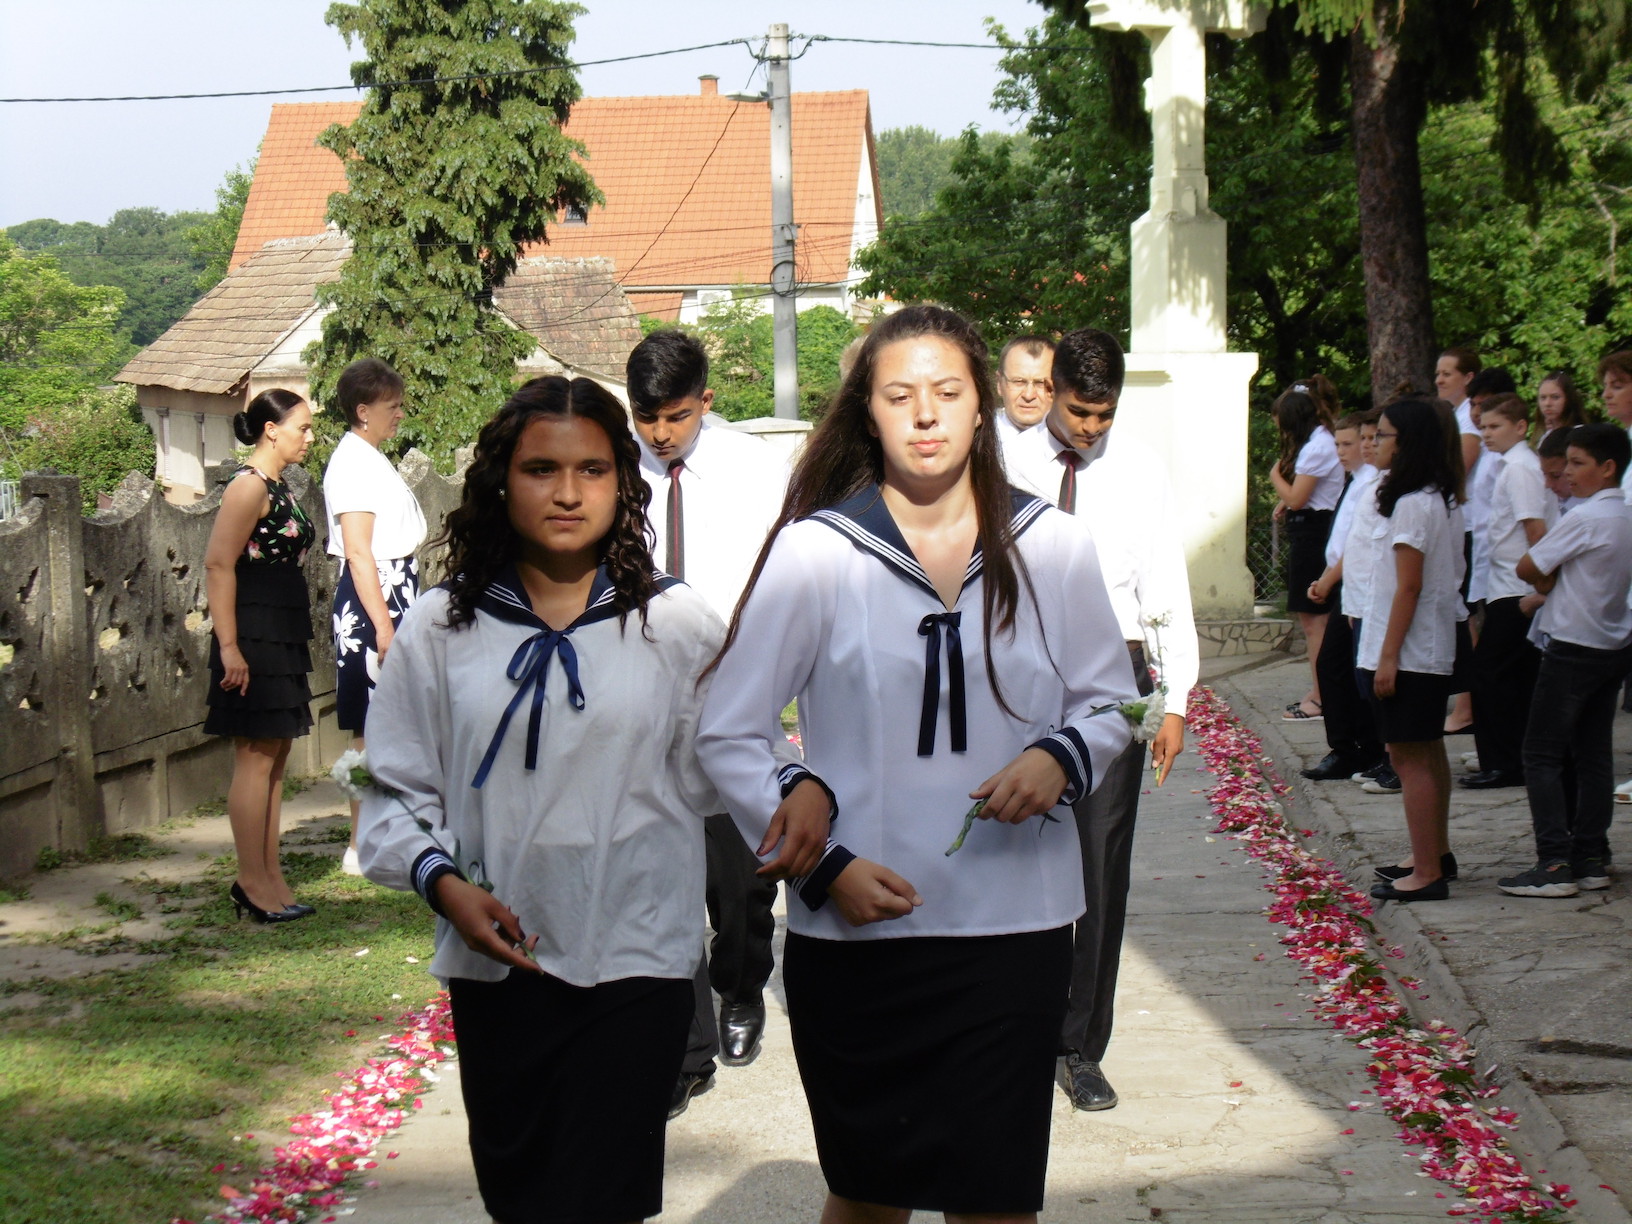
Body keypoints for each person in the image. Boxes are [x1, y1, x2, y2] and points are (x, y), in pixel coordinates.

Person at [697, 305, 1136, 1224]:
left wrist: (1060, 756)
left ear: (984, 405)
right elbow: (730, 730)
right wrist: (823, 863)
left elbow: (1110, 702)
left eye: (947, 392)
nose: (926, 414)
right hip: (860, 932)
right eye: (900, 396)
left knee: (996, 1201)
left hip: (1013, 929)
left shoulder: (1051, 546)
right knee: (869, 1200)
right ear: (869, 412)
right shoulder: (817, 552)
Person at [355, 377, 755, 1224]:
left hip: (637, 957)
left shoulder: (675, 625)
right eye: (541, 469)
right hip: (501, 960)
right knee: (524, 1199)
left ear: (623, 484)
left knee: (604, 1200)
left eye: (593, 470)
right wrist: (443, 885)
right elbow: (392, 791)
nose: (568, 493)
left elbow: (735, 764)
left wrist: (803, 796)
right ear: (501, 480)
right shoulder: (440, 629)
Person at [1002, 326, 1197, 1111]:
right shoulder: (1003, 461)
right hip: (1018, 667)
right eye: (1078, 411)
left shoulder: (1140, 470)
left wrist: (1175, 698)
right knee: (1010, 850)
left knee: (1100, 862)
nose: (1088, 427)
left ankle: (1080, 1046)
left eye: (1103, 414)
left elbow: (1166, 583)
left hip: (1115, 673)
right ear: (1050, 391)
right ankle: (1012, 1027)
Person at [625, 328, 791, 1113]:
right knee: (660, 868)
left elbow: (786, 574)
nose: (660, 433)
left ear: (706, 401)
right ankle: (686, 1043)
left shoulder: (755, 470)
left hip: (734, 685)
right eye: (646, 418)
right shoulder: (611, 467)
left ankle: (741, 985)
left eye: (677, 416)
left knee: (738, 872)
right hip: (640, 688)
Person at [1499, 424, 1632, 896]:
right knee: (1593, 753)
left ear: (1607, 467)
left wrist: (1545, 581)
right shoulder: (1625, 517)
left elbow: (1528, 566)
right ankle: (1590, 855)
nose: (1568, 473)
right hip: (1611, 644)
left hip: (1572, 646)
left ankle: (1554, 861)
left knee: (1541, 753)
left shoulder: (1586, 517)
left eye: (1578, 463)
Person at [202, 388, 318, 924]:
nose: (309, 438)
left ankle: (270, 876)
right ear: (271, 429)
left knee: (275, 756)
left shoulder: (278, 483)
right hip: (253, 632)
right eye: (302, 428)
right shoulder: (247, 486)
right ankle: (251, 881)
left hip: (281, 628)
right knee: (254, 758)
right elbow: (218, 564)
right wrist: (230, 647)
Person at [321, 358, 426, 875]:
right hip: (374, 599)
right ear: (363, 411)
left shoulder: (370, 457)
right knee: (369, 727)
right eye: (392, 406)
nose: (399, 414)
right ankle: (359, 843)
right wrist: (384, 626)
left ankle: (387, 832)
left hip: (393, 589)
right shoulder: (352, 464)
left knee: (393, 724)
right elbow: (359, 552)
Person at [1360, 399, 1467, 902]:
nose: (1375, 442)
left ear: (1407, 444)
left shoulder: (1413, 504)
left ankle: (1427, 872)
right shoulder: (1431, 497)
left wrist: (1388, 657)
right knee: (1426, 751)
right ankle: (1434, 853)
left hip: (1411, 652)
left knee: (1409, 758)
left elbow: (1409, 586)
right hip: (1423, 648)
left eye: (1382, 435)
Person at [1463, 393, 1555, 790]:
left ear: (1520, 427)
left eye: (1495, 426)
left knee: (1492, 674)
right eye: (1483, 426)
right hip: (1503, 583)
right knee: (1510, 676)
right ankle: (1510, 757)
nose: (1486, 433)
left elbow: (1534, 528)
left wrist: (1542, 585)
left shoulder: (1520, 467)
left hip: (1518, 588)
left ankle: (1504, 761)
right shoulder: (1508, 465)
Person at [1303, 411, 1385, 781]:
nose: (1348, 450)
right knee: (1337, 665)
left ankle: (1360, 748)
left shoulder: (1373, 483)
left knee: (1344, 666)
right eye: (1348, 442)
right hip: (1345, 582)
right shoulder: (1358, 481)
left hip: (1358, 583)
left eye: (1362, 440)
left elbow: (1359, 543)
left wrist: (1328, 580)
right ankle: (1350, 747)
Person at [1270, 383, 1344, 722]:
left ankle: (1321, 695)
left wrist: (1275, 476)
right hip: (1311, 531)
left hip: (1314, 535)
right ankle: (1322, 691)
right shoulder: (1322, 441)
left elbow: (1298, 497)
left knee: (1315, 622)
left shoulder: (1316, 447)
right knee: (1314, 620)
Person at [1436, 348, 1483, 736]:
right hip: (1462, 524)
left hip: (1469, 526)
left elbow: (1457, 469)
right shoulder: (1453, 415)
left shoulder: (1469, 418)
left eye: (1447, 373)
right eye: (1438, 373)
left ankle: (1468, 704)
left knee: (1464, 613)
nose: (1439, 380)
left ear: (1468, 378)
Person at [994, 334, 1056, 439]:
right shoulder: (974, 438)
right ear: (999, 384)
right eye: (1019, 382)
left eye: (1040, 383)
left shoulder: (1077, 442)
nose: (1028, 395)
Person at [1536, 370, 1588, 443]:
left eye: (1555, 397)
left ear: (1568, 399)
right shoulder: (1545, 437)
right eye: (1543, 398)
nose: (1547, 403)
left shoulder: (1580, 434)